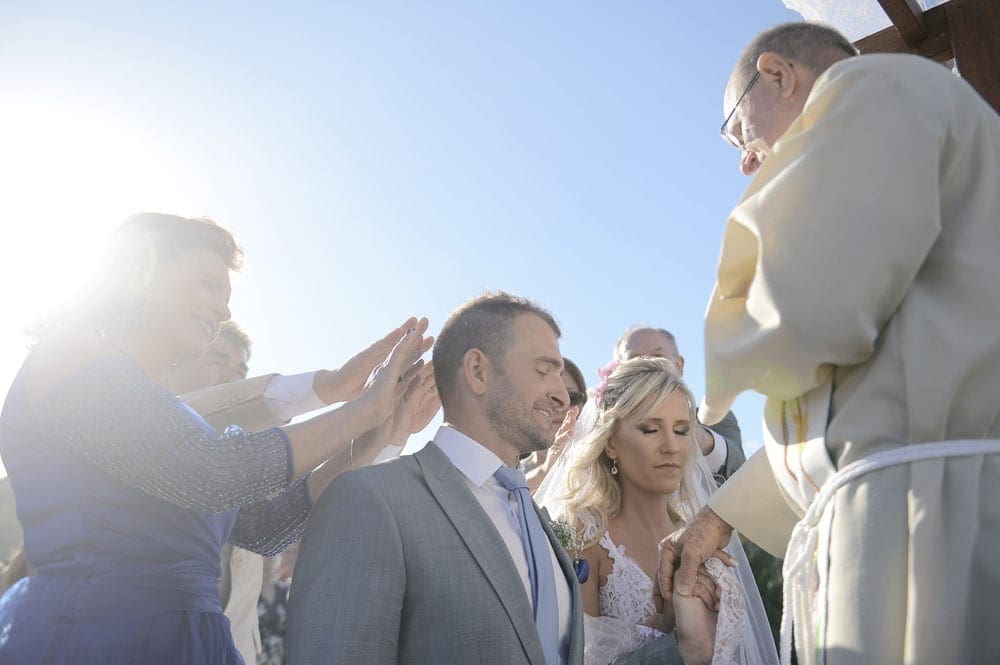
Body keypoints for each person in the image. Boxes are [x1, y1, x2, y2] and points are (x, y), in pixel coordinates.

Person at [658, 22, 1000, 665]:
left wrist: (716, 372)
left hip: (935, 534)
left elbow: (804, 316)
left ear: (778, 75)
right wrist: (720, 516)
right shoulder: (897, 125)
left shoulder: (870, 86)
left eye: (738, 131)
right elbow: (856, 407)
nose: (742, 161)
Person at [0, 212, 429, 664]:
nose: (224, 311)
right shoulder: (69, 350)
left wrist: (382, 430)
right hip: (94, 639)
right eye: (209, 286)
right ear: (136, 272)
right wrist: (359, 410)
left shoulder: (175, 413)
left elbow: (264, 526)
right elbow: (213, 473)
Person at [286, 292, 584, 665]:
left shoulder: (538, 520)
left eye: (559, 375)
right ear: (478, 371)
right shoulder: (370, 501)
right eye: (544, 371)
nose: (561, 395)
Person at [164, 321, 440, 665]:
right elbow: (191, 417)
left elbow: (276, 520)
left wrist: (390, 432)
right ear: (172, 365)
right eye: (218, 360)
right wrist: (335, 389)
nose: (233, 378)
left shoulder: (249, 467)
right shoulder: (136, 431)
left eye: (242, 369)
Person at [536, 357, 776, 665]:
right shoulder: (582, 537)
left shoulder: (701, 534)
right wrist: (667, 629)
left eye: (681, 430)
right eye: (650, 429)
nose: (671, 446)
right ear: (610, 443)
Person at [614, 326, 745, 480]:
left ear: (679, 365)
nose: (649, 366)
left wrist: (704, 440)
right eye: (635, 359)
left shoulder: (714, 417)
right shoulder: (609, 424)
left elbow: (741, 468)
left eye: (658, 356)